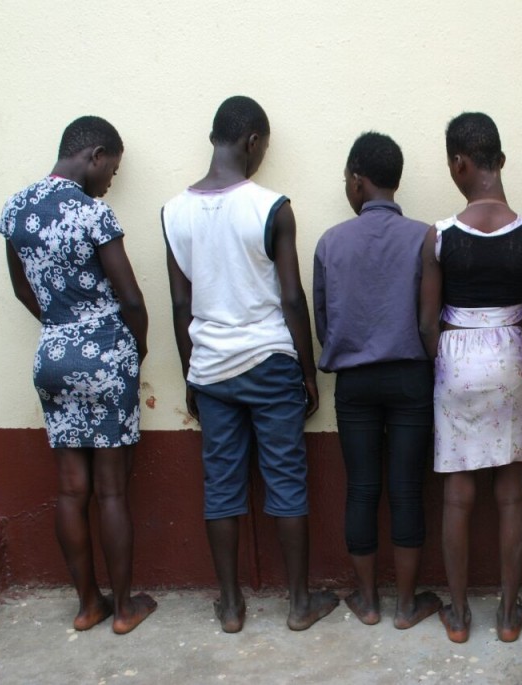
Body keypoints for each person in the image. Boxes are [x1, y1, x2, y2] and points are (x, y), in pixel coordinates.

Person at [163, 95, 338, 633]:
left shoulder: (173, 212)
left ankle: (232, 606)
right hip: (270, 361)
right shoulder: (272, 207)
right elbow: (292, 298)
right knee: (286, 478)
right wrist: (307, 372)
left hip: (211, 368)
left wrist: (191, 372)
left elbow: (180, 304)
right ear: (253, 142)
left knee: (221, 484)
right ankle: (299, 604)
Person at [0, 116, 156, 634]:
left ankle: (88, 606)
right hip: (105, 353)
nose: (111, 180)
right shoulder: (93, 213)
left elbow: (22, 289)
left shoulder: (16, 208)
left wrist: (60, 329)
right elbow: (131, 298)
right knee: (111, 492)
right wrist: (137, 348)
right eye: (113, 169)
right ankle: (125, 608)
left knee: (71, 490)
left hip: (52, 353)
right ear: (94, 156)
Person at [419, 112, 522, 643]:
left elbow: (426, 323)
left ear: (459, 163)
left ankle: (457, 617)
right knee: (510, 494)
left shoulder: (440, 237)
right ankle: (507, 616)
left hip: (454, 357)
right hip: (511, 355)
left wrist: (448, 361)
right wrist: (517, 357)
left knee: (457, 495)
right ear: (500, 160)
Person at [313, 132, 442, 629]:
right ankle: (407, 606)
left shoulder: (331, 242)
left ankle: (367, 602)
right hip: (412, 379)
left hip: (355, 384)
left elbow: (323, 321)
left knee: (362, 488)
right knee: (407, 489)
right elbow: (433, 315)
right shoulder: (424, 237)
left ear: (357, 181)